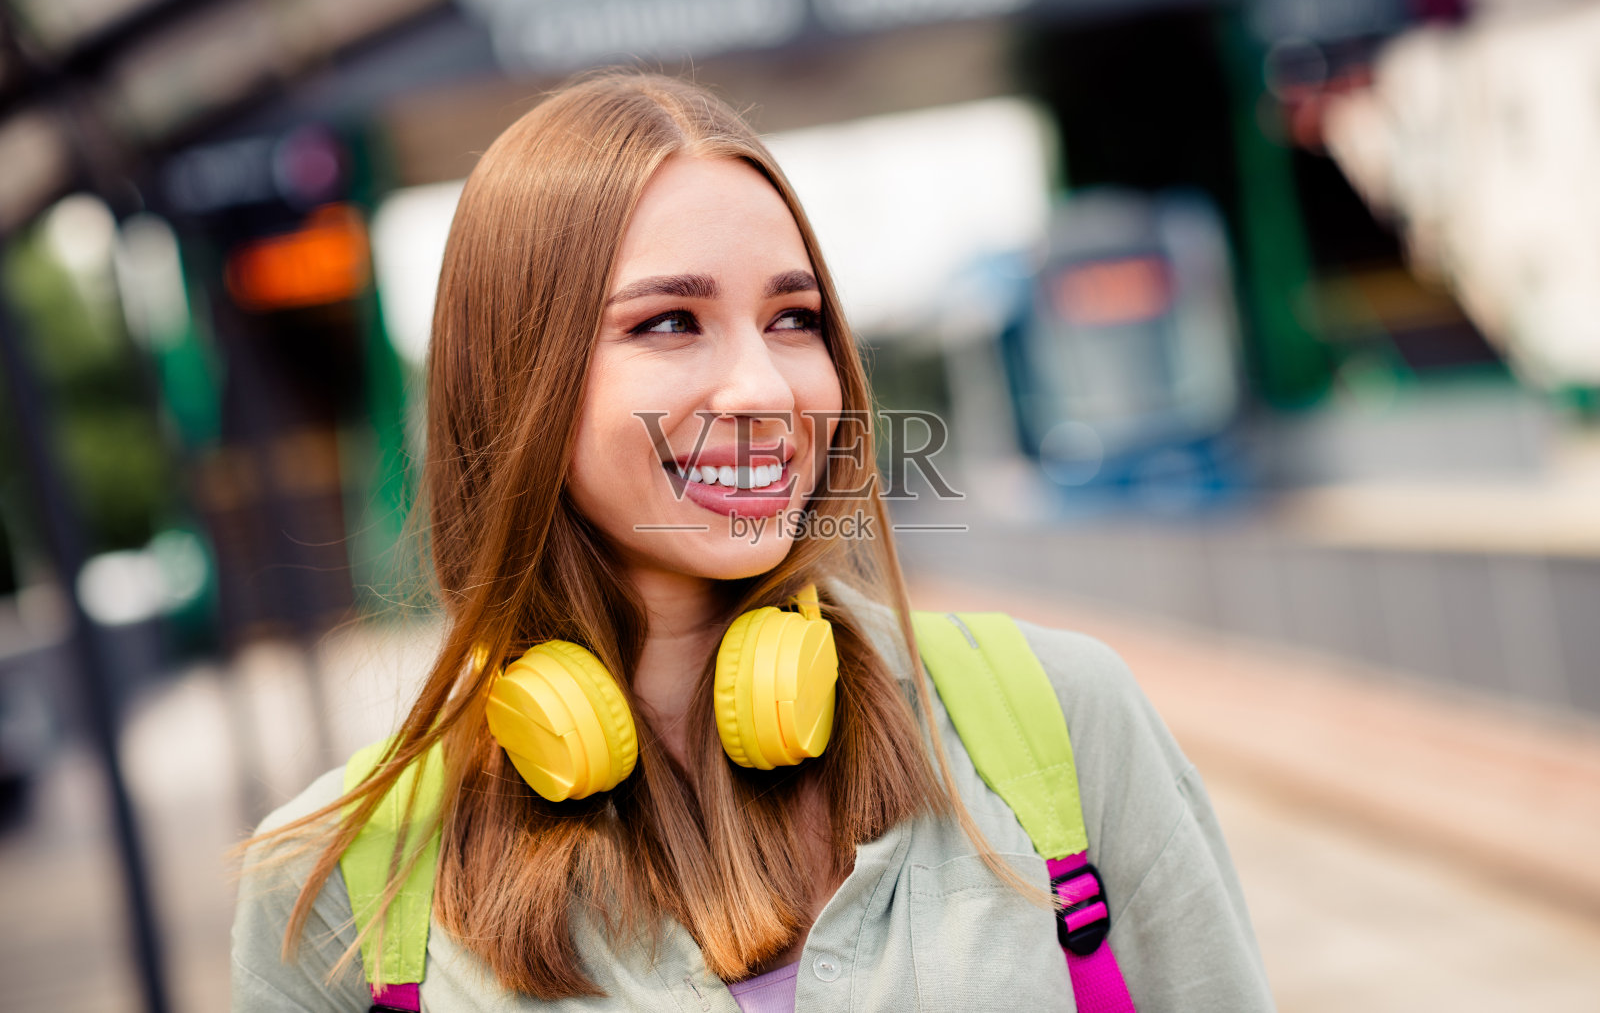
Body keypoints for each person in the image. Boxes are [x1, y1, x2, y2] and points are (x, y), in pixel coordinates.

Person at [231, 71, 1275, 1013]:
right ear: (517, 384)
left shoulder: (1056, 716)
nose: (766, 390)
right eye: (670, 323)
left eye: (793, 317)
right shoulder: (332, 887)